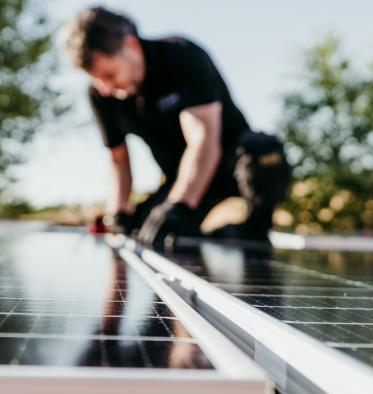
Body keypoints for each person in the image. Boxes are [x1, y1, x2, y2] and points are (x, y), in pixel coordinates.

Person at [63, 6, 290, 248]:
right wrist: (117, 213)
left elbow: (203, 140)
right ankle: (199, 228)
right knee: (147, 230)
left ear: (130, 45)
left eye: (109, 75)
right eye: (97, 80)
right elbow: (118, 158)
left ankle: (254, 230)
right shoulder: (101, 94)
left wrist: (179, 205)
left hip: (229, 164)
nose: (106, 88)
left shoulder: (180, 55)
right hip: (180, 179)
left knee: (264, 152)